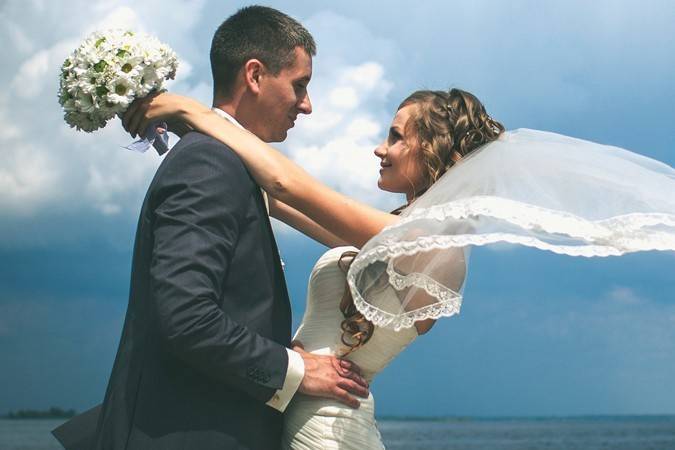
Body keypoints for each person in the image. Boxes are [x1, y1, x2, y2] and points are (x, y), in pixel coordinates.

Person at [52, 6, 369, 450]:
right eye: (299, 85)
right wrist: (294, 371)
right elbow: (185, 316)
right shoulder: (208, 163)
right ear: (255, 75)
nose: (308, 105)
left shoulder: (225, 162)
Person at [121, 87, 505, 448]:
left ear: (433, 148)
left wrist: (191, 109)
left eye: (396, 136)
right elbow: (272, 196)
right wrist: (188, 130)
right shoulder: (395, 237)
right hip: (304, 414)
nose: (379, 148)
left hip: (328, 431)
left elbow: (285, 184)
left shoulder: (427, 241)